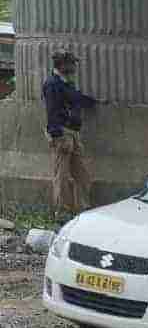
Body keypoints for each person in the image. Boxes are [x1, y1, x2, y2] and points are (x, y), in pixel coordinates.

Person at [44, 51, 99, 215]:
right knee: (61, 175)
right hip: (62, 133)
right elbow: (51, 112)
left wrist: (93, 102)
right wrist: (57, 136)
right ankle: (62, 212)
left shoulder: (65, 83)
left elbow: (77, 98)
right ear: (61, 65)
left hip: (72, 133)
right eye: (71, 64)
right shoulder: (52, 84)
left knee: (81, 174)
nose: (74, 67)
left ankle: (82, 208)